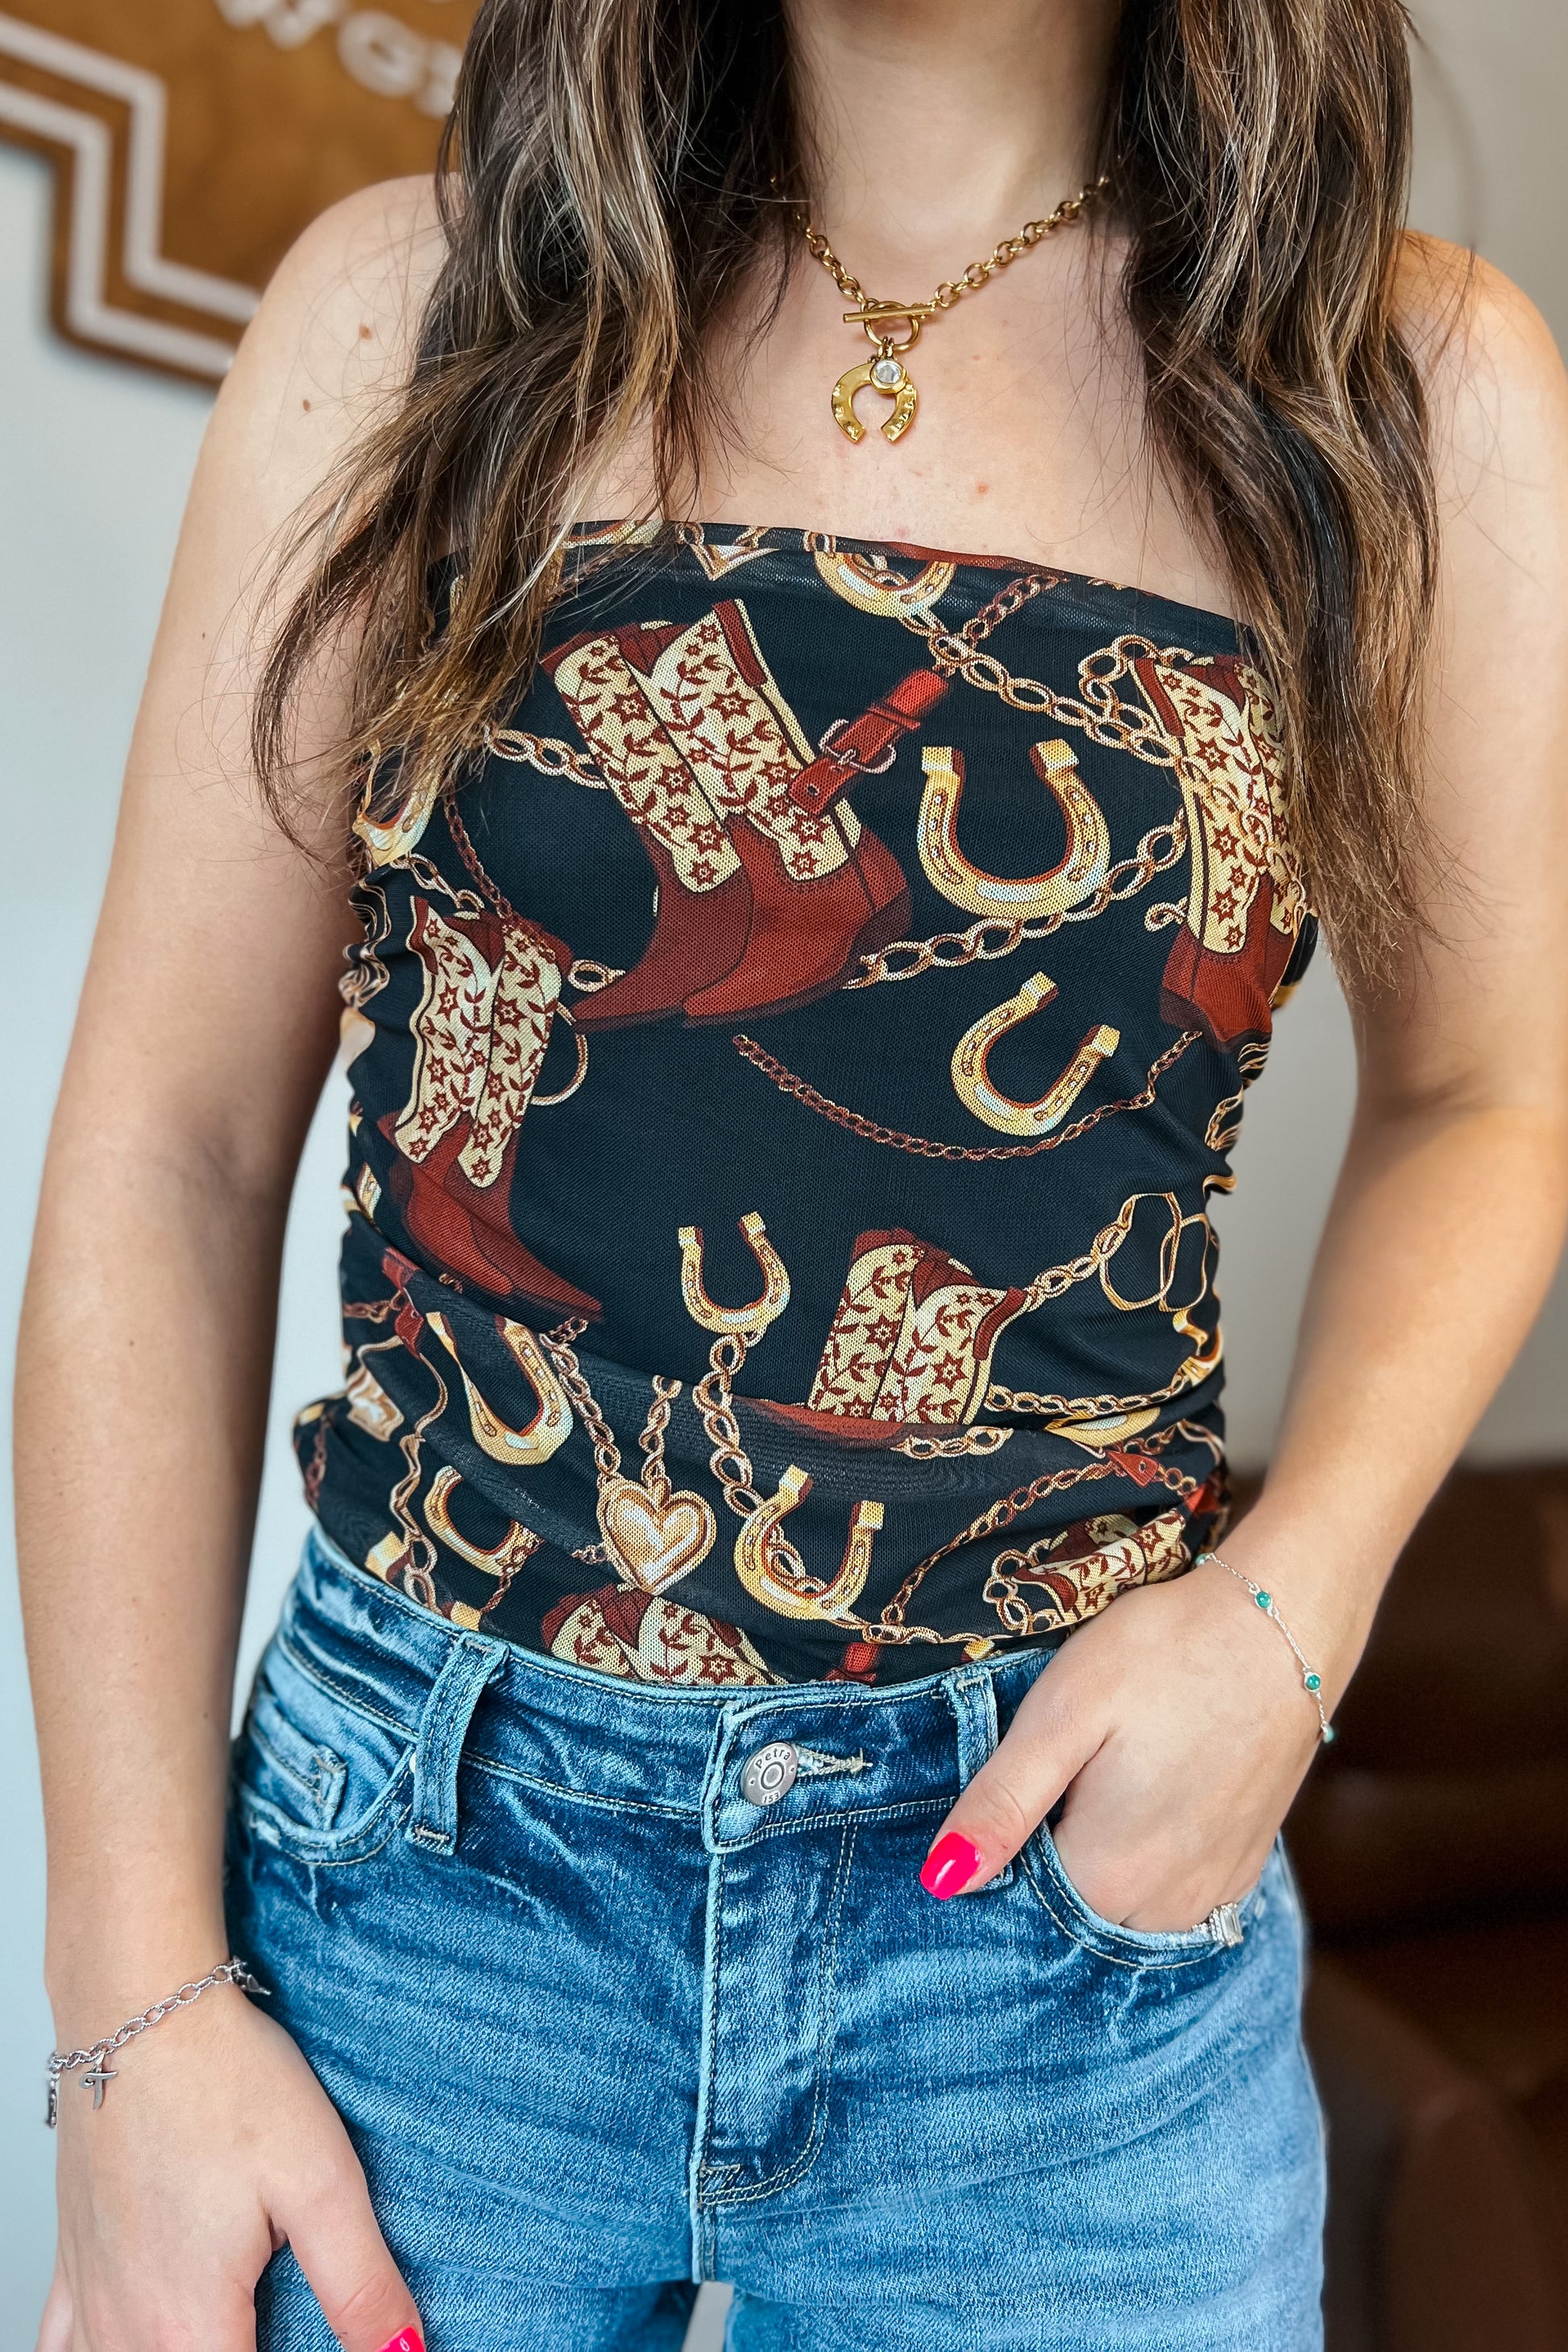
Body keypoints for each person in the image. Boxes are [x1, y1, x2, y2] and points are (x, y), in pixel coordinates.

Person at [18, 0, 1568, 2345]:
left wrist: (1294, 1611)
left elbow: (1490, 1102)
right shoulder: (406, 317)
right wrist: (126, 2021)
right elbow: (170, 1148)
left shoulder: (1401, 384)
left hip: (1055, 1934)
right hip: (428, 1886)